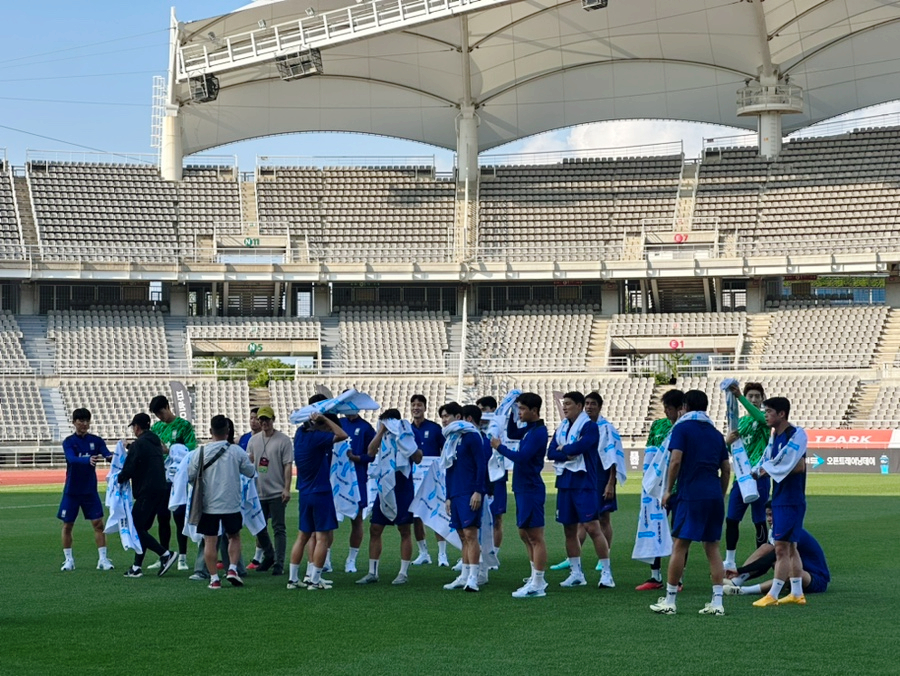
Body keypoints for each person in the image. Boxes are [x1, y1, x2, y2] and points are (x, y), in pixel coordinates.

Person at [650, 390, 730, 616]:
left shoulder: (682, 429)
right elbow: (726, 469)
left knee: (680, 545)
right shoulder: (715, 433)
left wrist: (667, 490)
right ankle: (717, 602)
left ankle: (670, 599)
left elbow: (675, 461)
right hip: (713, 494)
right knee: (712, 547)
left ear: (685, 406)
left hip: (690, 494)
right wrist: (721, 494)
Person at [550, 392, 622, 585]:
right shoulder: (562, 427)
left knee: (592, 526)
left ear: (579, 406)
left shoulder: (590, 427)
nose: (564, 407)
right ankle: (576, 573)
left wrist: (563, 450)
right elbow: (550, 452)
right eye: (563, 404)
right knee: (569, 529)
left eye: (568, 404)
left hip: (584, 483)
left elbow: (581, 447)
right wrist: (566, 452)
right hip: (565, 482)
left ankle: (606, 572)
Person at [751, 396, 809, 607]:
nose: (765, 415)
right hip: (781, 497)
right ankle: (796, 592)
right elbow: (771, 463)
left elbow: (800, 467)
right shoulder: (775, 437)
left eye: (768, 412)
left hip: (790, 500)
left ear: (781, 414)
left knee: (781, 548)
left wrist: (769, 471)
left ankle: (773, 594)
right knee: (791, 547)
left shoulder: (794, 436)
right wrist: (761, 470)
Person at [188, 415, 257, 590]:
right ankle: (232, 568)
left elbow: (190, 477)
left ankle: (213, 578)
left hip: (208, 504)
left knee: (210, 541)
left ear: (211, 431)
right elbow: (250, 472)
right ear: (227, 432)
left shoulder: (200, 452)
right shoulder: (236, 451)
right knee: (234, 536)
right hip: (231, 502)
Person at [492, 392, 550, 598]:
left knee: (535, 536)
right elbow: (512, 431)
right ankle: (535, 576)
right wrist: (508, 412)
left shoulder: (539, 432)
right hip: (522, 487)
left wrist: (500, 448)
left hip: (531, 487)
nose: (520, 413)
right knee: (524, 534)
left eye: (523, 409)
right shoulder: (529, 430)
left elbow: (522, 457)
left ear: (534, 411)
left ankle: (539, 582)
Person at [356, 409, 423, 586]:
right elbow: (370, 451)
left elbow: (417, 458)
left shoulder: (408, 431)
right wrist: (380, 432)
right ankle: (372, 572)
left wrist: (405, 443)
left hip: (403, 486)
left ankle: (403, 572)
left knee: (404, 529)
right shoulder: (382, 435)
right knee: (375, 528)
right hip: (385, 484)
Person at [287, 411, 348, 590]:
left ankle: (293, 579)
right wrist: (325, 419)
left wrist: (317, 420)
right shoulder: (317, 438)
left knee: (302, 536)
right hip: (320, 492)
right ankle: (314, 580)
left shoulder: (299, 435)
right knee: (322, 538)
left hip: (304, 493)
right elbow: (342, 435)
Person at [724, 502, 829, 597]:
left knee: (789, 569)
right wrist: (741, 573)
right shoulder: (774, 531)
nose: (769, 519)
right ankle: (736, 581)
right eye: (767, 515)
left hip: (815, 579)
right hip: (797, 575)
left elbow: (769, 559)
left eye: (772, 515)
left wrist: (740, 570)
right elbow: (764, 566)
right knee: (766, 548)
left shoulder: (790, 531)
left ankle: (744, 590)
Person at [118, 413, 178, 579]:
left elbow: (129, 467)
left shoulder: (140, 444)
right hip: (160, 488)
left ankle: (165, 554)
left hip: (146, 490)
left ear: (137, 427)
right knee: (141, 528)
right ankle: (137, 566)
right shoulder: (154, 441)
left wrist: (118, 477)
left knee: (136, 527)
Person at [636, 389, 684, 591]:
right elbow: (650, 455)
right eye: (664, 407)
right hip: (658, 489)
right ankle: (655, 576)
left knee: (679, 534)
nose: (666, 412)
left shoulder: (686, 427)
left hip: (681, 488)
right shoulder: (658, 426)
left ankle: (678, 579)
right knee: (655, 527)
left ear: (681, 409)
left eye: (670, 408)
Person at [58, 408, 114, 572]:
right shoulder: (68, 442)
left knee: (98, 524)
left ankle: (103, 559)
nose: (84, 424)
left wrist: (119, 455)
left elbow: (107, 455)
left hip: (90, 490)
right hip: (72, 490)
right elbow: (71, 459)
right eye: (81, 421)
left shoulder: (96, 440)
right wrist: (86, 460)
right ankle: (69, 560)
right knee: (67, 525)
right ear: (74, 422)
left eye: (87, 421)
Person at [439, 402, 487, 592]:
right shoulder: (450, 439)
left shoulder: (472, 436)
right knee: (462, 535)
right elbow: (448, 469)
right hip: (456, 492)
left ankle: (474, 577)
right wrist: (449, 496)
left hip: (469, 491)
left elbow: (481, 464)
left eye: (447, 416)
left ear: (458, 417)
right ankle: (464, 575)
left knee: (470, 533)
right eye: (442, 416)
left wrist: (478, 490)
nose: (443, 420)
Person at [723, 381, 771, 571]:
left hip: (759, 476)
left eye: (756, 396)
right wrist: (727, 442)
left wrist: (740, 397)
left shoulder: (765, 418)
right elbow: (733, 448)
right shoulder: (740, 422)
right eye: (750, 396)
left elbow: (759, 416)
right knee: (732, 519)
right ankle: (730, 559)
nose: (753, 399)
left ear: (762, 399)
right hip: (741, 478)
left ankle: (761, 560)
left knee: (759, 519)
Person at [147, 394, 197, 572]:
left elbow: (191, 451)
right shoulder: (157, 428)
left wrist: (170, 451)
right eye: (157, 415)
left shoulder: (184, 426)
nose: (160, 417)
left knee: (179, 517)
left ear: (168, 407)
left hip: (178, 479)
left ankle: (182, 557)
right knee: (162, 518)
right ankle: (164, 555)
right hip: (161, 479)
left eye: (161, 413)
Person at [246, 406, 293, 576]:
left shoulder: (283, 440)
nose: (264, 423)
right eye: (261, 420)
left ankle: (279, 562)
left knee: (278, 527)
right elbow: (248, 463)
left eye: (267, 419)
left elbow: (288, 465)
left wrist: (286, 489)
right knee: (259, 527)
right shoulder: (253, 441)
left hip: (276, 491)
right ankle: (269, 555)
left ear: (273, 420)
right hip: (258, 491)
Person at [409, 394, 446, 566]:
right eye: (413, 404)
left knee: (437, 513)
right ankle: (423, 552)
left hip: (433, 479)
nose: (416, 407)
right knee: (416, 515)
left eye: (419, 405)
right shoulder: (407, 430)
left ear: (425, 408)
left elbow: (445, 451)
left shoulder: (435, 428)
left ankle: (442, 554)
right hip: (414, 479)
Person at [341, 407, 376, 574]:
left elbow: (373, 454)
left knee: (357, 519)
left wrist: (358, 458)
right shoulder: (338, 423)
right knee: (329, 520)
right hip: (338, 480)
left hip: (358, 479)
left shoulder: (366, 427)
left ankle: (351, 560)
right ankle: (325, 559)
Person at [476, 395, 506, 566]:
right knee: (478, 518)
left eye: (483, 410)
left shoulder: (501, 432)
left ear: (492, 411)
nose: (481, 414)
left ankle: (493, 556)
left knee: (496, 518)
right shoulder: (475, 432)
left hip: (497, 478)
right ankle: (478, 554)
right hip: (480, 478)